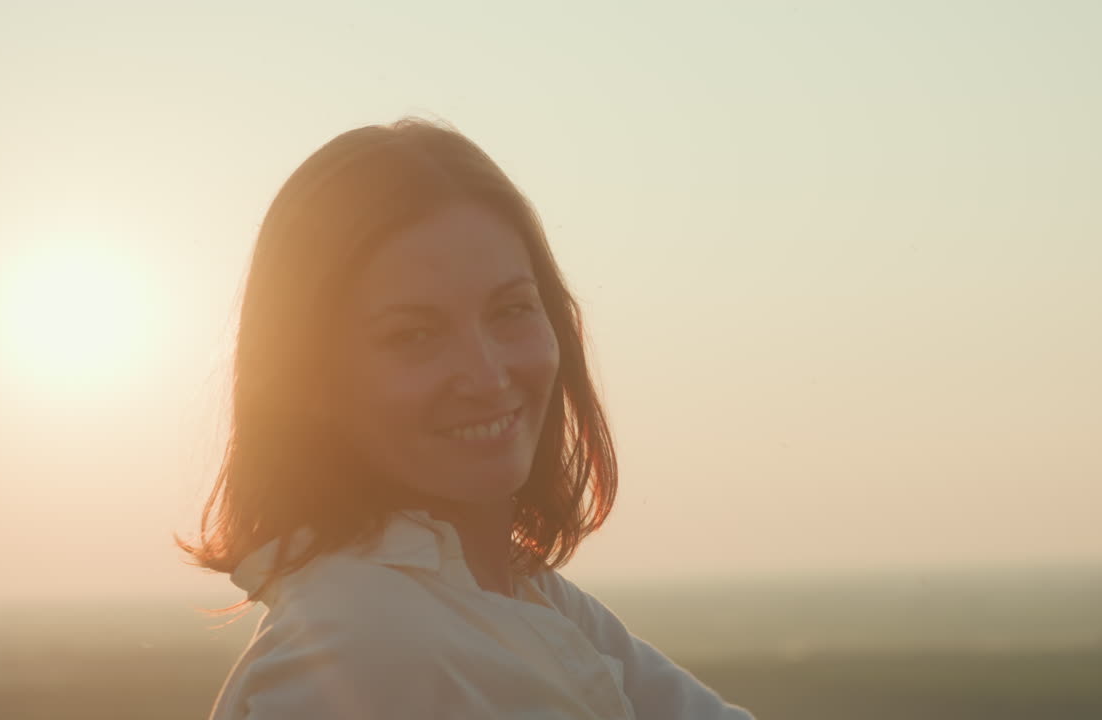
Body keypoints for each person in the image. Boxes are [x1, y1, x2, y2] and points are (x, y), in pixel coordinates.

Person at [180, 117, 755, 719]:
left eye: (510, 310)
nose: (488, 376)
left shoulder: (523, 598)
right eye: (415, 335)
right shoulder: (358, 647)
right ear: (310, 379)